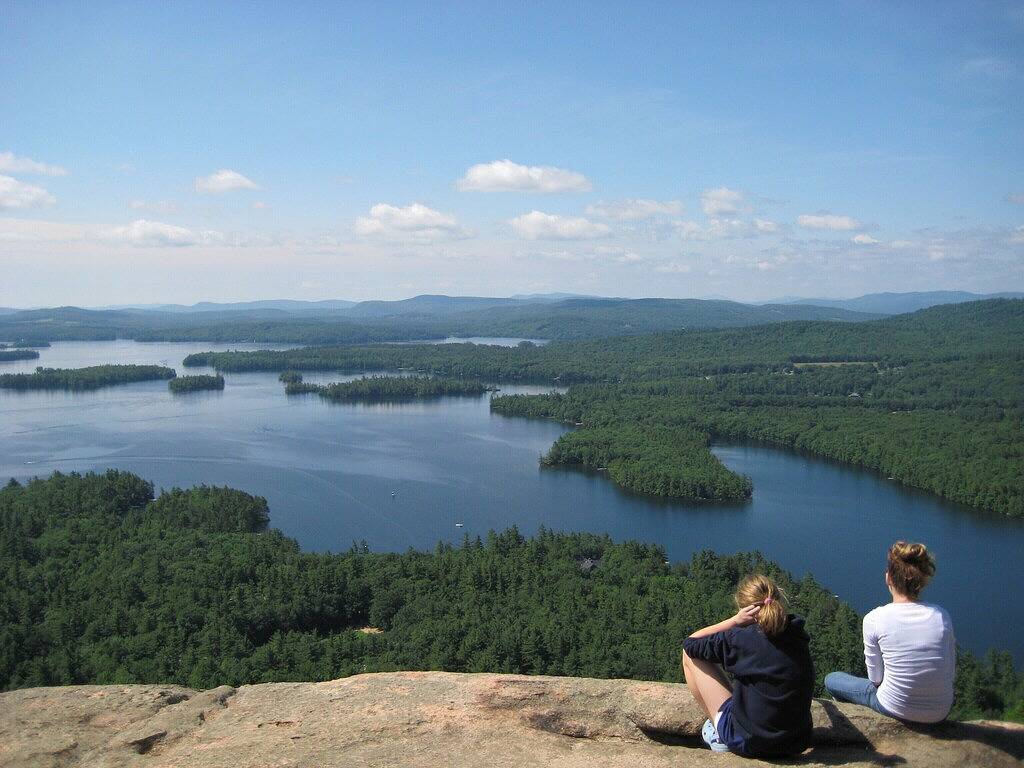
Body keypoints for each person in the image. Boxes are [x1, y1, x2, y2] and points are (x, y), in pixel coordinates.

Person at [682, 574, 815, 757]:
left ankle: (718, 732)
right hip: (796, 742)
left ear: (745, 610)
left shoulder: (743, 640)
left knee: (689, 657)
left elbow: (690, 644)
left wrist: (734, 621)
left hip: (751, 743)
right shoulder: (797, 635)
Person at [825, 541, 955, 723]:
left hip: (895, 706)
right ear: (922, 581)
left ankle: (850, 722)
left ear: (888, 578)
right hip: (940, 711)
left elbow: (875, 679)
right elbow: (950, 673)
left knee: (831, 679)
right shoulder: (941, 616)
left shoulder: (875, 619)